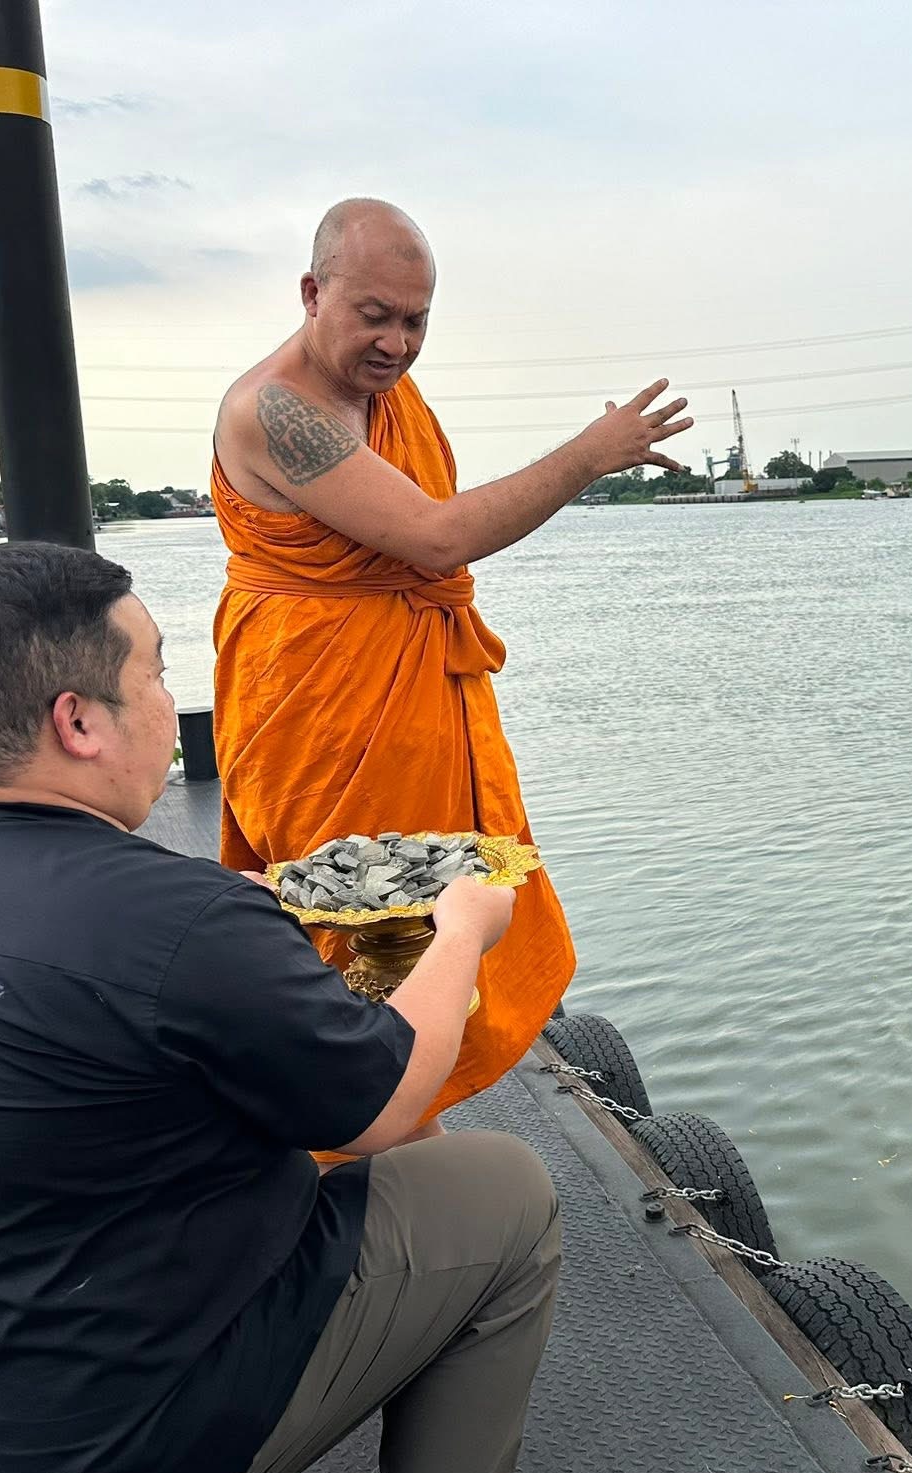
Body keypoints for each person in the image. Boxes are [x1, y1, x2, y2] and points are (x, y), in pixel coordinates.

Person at [0, 543, 560, 1473]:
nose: (172, 702)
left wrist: (270, 908)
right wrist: (461, 927)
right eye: (156, 671)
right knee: (501, 1189)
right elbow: (383, 1102)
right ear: (77, 721)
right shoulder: (179, 925)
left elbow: (119, 973)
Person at [209, 198, 692, 1138]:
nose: (396, 342)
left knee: (427, 913)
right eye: (374, 314)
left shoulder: (382, 399)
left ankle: (401, 1118)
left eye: (416, 320)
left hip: (406, 686)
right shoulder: (274, 408)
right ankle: (345, 1150)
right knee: (350, 917)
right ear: (313, 294)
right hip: (318, 700)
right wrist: (592, 454)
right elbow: (436, 537)